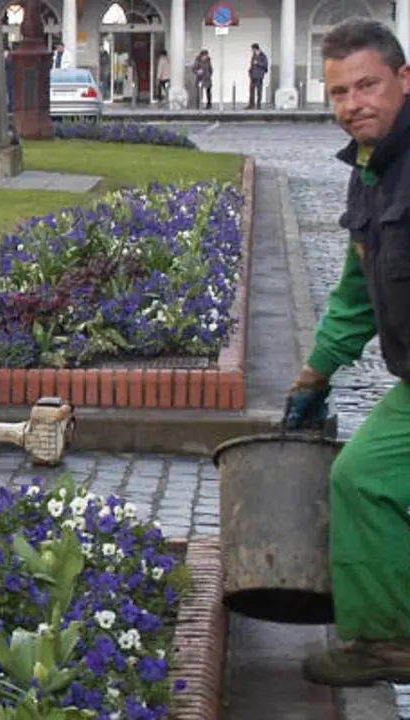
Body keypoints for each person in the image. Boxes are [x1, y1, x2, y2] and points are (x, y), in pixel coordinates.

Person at [282, 17, 410, 686]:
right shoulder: (372, 169)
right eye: (338, 92)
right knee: (362, 480)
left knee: (370, 481)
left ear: (405, 80)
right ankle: (387, 641)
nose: (353, 104)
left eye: (367, 85)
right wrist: (314, 372)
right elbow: (360, 289)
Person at [248, 43, 269, 109]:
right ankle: (251, 105)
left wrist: (257, 63)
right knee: (251, 90)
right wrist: (250, 71)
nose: (253, 51)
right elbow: (252, 64)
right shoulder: (254, 56)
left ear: (256, 49)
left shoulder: (263, 56)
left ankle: (258, 105)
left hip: (259, 76)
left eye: (253, 49)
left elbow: (265, 65)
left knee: (259, 91)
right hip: (253, 76)